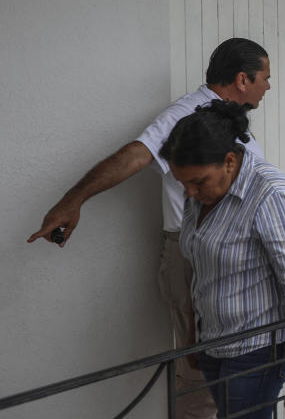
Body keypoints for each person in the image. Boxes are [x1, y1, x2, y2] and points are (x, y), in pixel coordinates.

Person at [28, 37, 271, 419]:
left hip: (237, 255)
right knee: (200, 375)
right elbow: (137, 155)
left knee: (239, 365)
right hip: (194, 255)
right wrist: (72, 201)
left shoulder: (227, 121)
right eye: (265, 78)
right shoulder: (186, 114)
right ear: (243, 79)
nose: (268, 86)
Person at [161, 101, 285, 419]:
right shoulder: (200, 196)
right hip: (212, 346)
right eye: (183, 184)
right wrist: (193, 334)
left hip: (256, 352)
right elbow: (200, 269)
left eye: (198, 182)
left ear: (229, 161)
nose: (189, 192)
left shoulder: (272, 195)